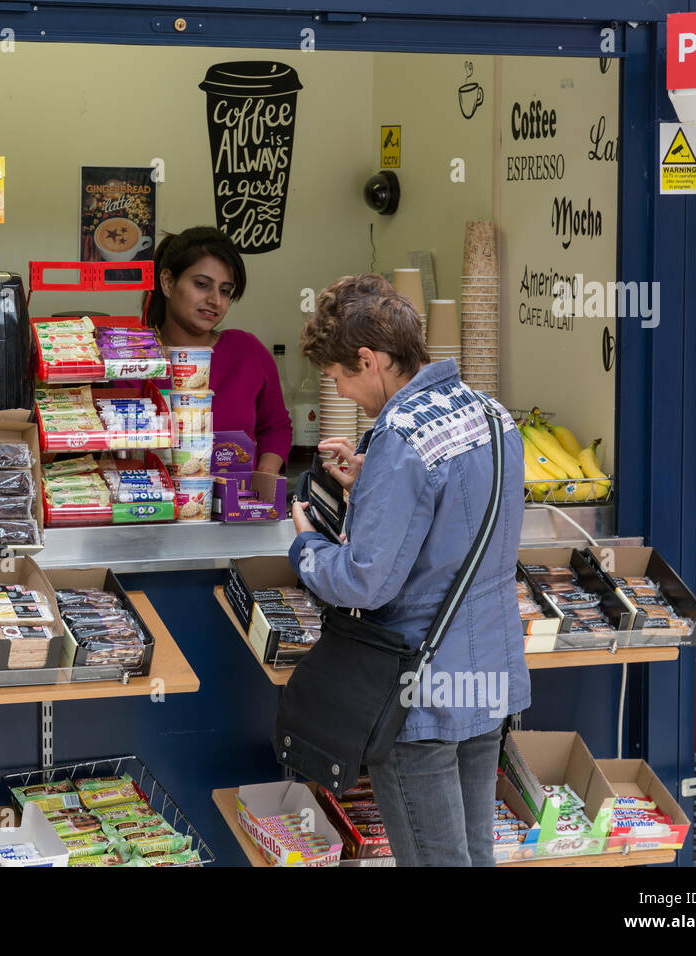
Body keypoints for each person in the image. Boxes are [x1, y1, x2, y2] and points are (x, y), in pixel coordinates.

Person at [288, 273, 530, 867]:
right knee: (473, 854)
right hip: (488, 673)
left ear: (370, 360)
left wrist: (306, 549)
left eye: (343, 375)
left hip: (418, 689)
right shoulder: (492, 413)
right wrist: (374, 478)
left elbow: (366, 582)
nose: (342, 391)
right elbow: (455, 518)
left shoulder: (400, 436)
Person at [144, 226, 291, 474]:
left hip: (237, 508)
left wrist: (264, 477)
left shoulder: (247, 352)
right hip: (152, 507)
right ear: (168, 283)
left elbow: (276, 426)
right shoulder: (134, 359)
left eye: (225, 290)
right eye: (202, 284)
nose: (215, 300)